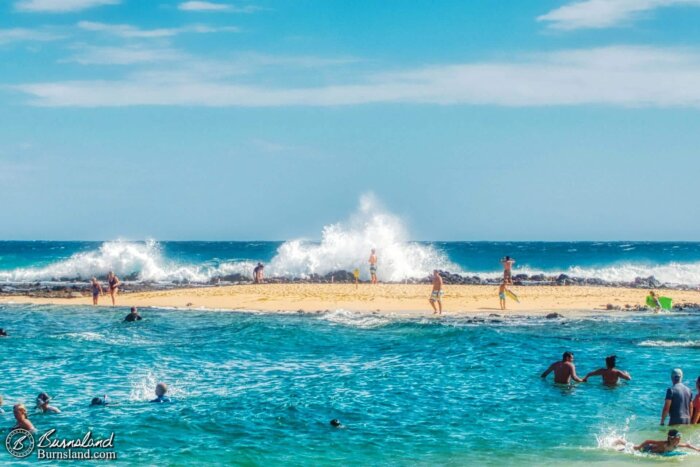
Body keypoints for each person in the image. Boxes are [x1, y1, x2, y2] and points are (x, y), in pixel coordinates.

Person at [614, 430, 700, 454]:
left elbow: (687, 445)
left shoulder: (675, 445)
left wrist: (697, 449)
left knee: (632, 448)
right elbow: (648, 441)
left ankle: (621, 443)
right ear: (671, 439)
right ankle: (619, 441)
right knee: (633, 448)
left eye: (679, 438)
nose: (679, 440)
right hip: (648, 448)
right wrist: (640, 447)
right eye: (677, 438)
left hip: (654, 451)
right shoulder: (663, 443)